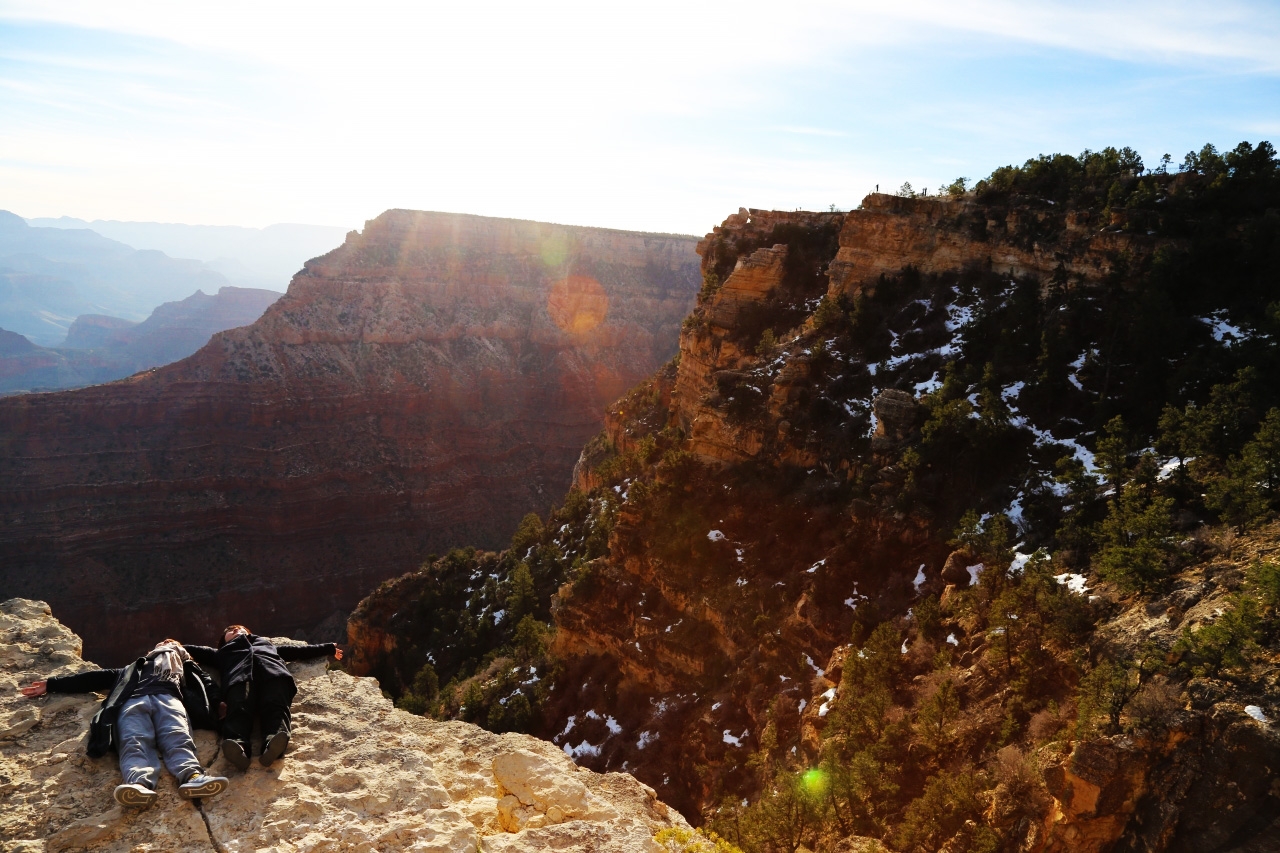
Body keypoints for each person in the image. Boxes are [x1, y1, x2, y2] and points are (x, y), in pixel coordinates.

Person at [20, 639, 229, 808]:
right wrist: (52, 684)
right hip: (132, 700)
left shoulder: (186, 670)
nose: (167, 642)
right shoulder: (131, 669)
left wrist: (218, 703)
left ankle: (193, 777)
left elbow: (208, 684)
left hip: (169, 697)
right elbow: (94, 678)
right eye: (162, 642)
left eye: (173, 643)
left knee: (177, 736)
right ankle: (138, 785)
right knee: (133, 740)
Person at [185, 625, 342, 771]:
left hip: (273, 675)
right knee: (238, 708)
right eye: (231, 630)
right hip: (240, 680)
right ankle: (238, 747)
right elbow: (192, 650)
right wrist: (169, 647)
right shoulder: (221, 653)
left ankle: (273, 743)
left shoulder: (266, 645)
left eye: (240, 629)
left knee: (276, 707)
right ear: (223, 641)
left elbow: (298, 651)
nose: (236, 630)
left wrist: (328, 648)